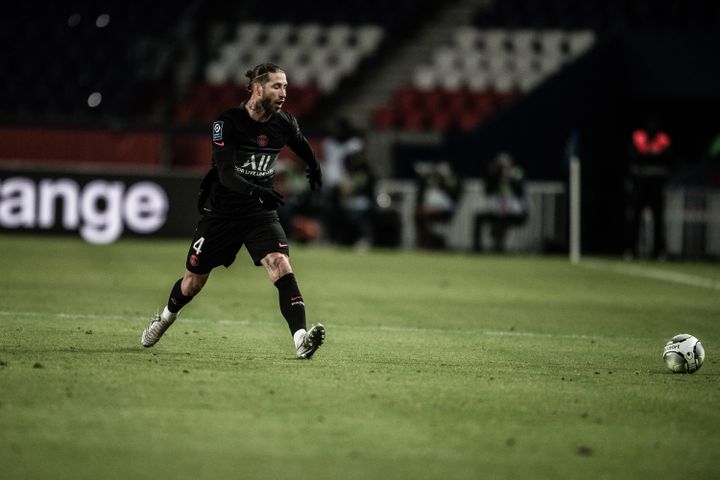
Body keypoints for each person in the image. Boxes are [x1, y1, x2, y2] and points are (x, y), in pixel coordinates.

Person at [141, 63, 325, 359]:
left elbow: (301, 144)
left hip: (259, 212)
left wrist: (314, 168)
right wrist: (257, 189)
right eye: (277, 86)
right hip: (222, 213)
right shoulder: (227, 123)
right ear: (257, 88)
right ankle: (164, 318)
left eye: (286, 86)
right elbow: (226, 173)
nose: (284, 93)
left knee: (280, 264)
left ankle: (301, 339)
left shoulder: (284, 122)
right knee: (193, 283)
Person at [624, 117, 672, 260]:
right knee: (635, 217)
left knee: (658, 218)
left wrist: (649, 156)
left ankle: (659, 251)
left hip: (656, 185)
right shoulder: (638, 137)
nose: (652, 125)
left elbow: (668, 157)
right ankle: (631, 250)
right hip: (640, 184)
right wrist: (651, 155)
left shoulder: (663, 139)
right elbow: (634, 155)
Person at [474, 152, 528, 252]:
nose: (502, 167)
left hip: (514, 209)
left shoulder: (516, 172)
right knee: (479, 217)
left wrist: (508, 176)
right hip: (498, 207)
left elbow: (519, 191)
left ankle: (498, 246)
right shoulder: (496, 174)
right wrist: (495, 176)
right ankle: (477, 248)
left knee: (502, 219)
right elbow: (487, 191)